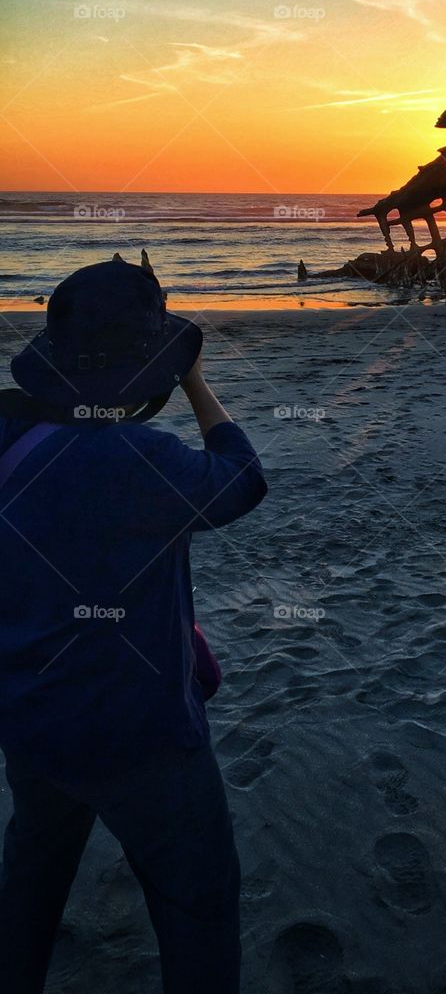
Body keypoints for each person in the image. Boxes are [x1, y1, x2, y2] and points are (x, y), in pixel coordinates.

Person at [0, 255, 268, 993]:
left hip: (29, 715)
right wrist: (195, 380)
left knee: (33, 875)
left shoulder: (7, 435)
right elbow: (242, 480)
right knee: (197, 901)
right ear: (148, 369)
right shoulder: (143, 459)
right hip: (141, 732)